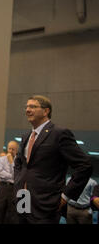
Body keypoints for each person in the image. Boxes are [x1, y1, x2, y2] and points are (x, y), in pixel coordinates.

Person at [13, 95, 92, 224]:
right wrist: (18, 181)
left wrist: (65, 196)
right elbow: (19, 163)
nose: (27, 110)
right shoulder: (26, 136)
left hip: (46, 204)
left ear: (46, 111)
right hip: (22, 199)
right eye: (26, 106)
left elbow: (85, 166)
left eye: (32, 106)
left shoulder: (60, 133)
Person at [0, 141, 19, 224]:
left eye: (13, 149)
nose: (11, 151)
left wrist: (12, 162)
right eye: (9, 148)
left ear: (16, 150)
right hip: (3, 187)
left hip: (13, 189)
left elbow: (17, 175)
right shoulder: (1, 159)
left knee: (11, 214)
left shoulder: (18, 161)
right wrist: (11, 175)